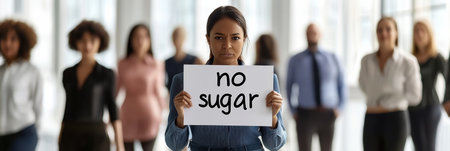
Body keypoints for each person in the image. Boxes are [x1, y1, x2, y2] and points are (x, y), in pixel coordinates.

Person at [165, 6, 286, 151]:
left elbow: (274, 145)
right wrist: (181, 118)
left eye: (235, 38)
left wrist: (272, 117)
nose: (227, 45)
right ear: (208, 39)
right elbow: (174, 145)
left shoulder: (265, 81)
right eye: (219, 37)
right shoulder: (184, 81)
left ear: (244, 39)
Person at [59, 20, 124, 151]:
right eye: (83, 40)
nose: (87, 45)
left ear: (100, 43)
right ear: (76, 42)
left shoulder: (107, 73)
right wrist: (60, 135)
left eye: (92, 41)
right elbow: (68, 106)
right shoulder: (68, 73)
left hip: (96, 135)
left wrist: (119, 144)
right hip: (70, 134)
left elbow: (112, 107)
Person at [359, 17, 422, 151]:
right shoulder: (366, 60)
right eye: (379, 30)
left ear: (396, 33)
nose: (383, 33)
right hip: (371, 119)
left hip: (395, 119)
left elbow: (415, 96)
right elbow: (363, 86)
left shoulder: (408, 61)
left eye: (388, 29)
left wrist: (388, 103)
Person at [286, 23, 346, 151]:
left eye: (314, 32)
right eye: (309, 32)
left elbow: (341, 84)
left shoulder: (333, 58)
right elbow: (288, 86)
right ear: (305, 35)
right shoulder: (295, 60)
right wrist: (292, 111)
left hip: (328, 114)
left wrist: (339, 108)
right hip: (304, 114)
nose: (312, 35)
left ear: (320, 35)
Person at [116, 24, 166, 151]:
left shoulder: (157, 64)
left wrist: (163, 114)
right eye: (136, 37)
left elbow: (158, 92)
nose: (140, 41)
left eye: (144, 37)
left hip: (150, 116)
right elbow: (115, 91)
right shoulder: (122, 63)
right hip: (127, 116)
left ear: (149, 41)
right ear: (130, 40)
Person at [0, 19, 43, 151]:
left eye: (13, 39)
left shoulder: (31, 71)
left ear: (22, 43)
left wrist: (38, 133)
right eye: (4, 39)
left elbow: (38, 105)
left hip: (24, 131)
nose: (7, 43)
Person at [408, 20, 446, 151]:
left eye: (422, 30)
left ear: (429, 34)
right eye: (416, 31)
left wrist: (447, 100)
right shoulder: (409, 58)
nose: (418, 34)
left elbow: (449, 77)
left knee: (429, 147)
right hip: (412, 109)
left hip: (431, 107)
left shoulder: (436, 57)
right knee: (418, 147)